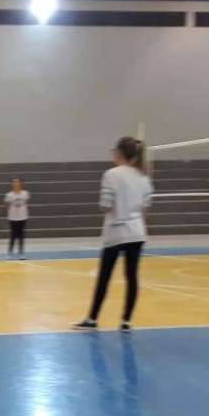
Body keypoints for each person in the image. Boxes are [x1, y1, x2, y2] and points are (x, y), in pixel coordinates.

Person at [73, 136, 153, 333]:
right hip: (137, 232)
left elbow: (105, 205)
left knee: (105, 276)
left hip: (116, 232)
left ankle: (92, 319)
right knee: (132, 276)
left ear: (119, 153)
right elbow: (145, 208)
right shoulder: (144, 177)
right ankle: (126, 322)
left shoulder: (111, 174)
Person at [4, 178, 30, 258]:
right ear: (12, 184)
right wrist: (12, 212)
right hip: (12, 218)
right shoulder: (9, 195)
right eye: (14, 182)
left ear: (20, 183)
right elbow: (6, 205)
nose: (16, 183)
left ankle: (21, 253)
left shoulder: (25, 193)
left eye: (17, 182)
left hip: (23, 217)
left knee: (21, 235)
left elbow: (26, 202)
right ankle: (10, 253)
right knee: (13, 235)